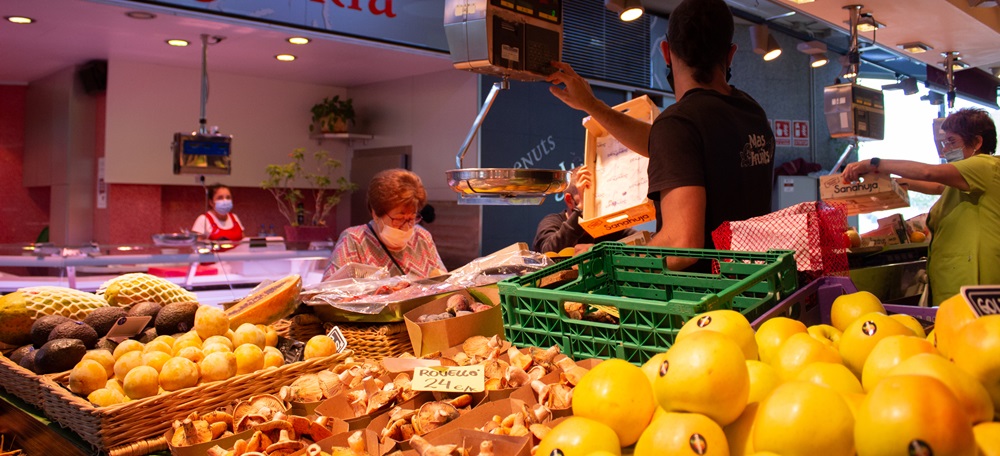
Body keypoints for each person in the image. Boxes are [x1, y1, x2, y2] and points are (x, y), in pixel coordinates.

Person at [547, 0, 775, 271]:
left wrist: (604, 255)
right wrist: (592, 105)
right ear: (731, 55)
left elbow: (681, 247)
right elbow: (669, 145)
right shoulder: (750, 111)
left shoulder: (679, 124)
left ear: (666, 52)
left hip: (703, 299)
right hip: (755, 282)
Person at [841, 108, 999, 306]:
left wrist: (874, 163)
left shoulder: (984, 165)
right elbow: (937, 185)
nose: (945, 150)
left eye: (952, 142)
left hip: (974, 277)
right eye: (944, 143)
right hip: (959, 276)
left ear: (977, 142)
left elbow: (928, 173)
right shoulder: (963, 181)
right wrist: (888, 183)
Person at [324, 169, 446, 279]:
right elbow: (328, 292)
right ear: (376, 214)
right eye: (398, 219)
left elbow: (444, 282)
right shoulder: (354, 240)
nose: (406, 227)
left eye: (411, 218)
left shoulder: (422, 237)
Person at [532, 167, 636, 253]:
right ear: (569, 200)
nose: (595, 201)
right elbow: (549, 251)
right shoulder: (552, 222)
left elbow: (640, 240)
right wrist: (582, 209)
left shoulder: (605, 225)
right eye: (587, 196)